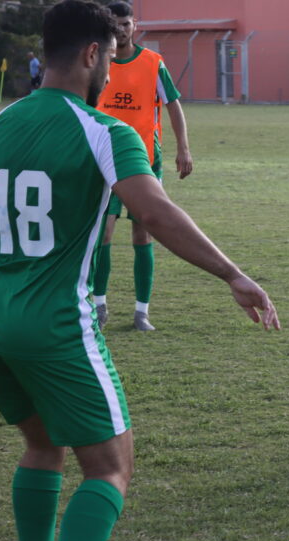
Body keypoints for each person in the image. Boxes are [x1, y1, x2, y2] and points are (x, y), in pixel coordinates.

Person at [0, 0, 279, 541]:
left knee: (41, 443)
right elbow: (154, 214)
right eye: (107, 54)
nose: (109, 67)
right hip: (53, 325)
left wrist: (11, 288)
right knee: (111, 466)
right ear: (91, 54)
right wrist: (233, 274)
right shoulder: (105, 131)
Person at [93, 0, 193, 332]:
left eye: (126, 24)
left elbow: (173, 105)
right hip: (104, 160)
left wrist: (183, 148)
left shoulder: (153, 63)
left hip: (144, 161)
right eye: (116, 24)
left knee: (143, 233)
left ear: (135, 25)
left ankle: (141, 313)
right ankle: (99, 306)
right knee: (103, 234)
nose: (121, 30)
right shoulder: (96, 63)